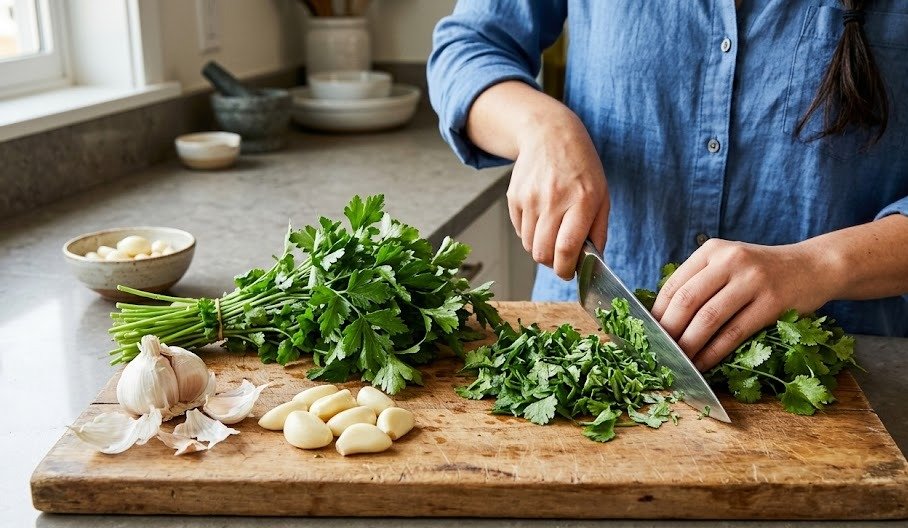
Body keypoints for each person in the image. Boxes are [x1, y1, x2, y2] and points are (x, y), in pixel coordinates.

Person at [427, 1, 908, 371]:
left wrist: (818, 265)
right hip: (581, 348)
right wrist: (540, 127)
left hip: (839, 372)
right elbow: (468, 47)